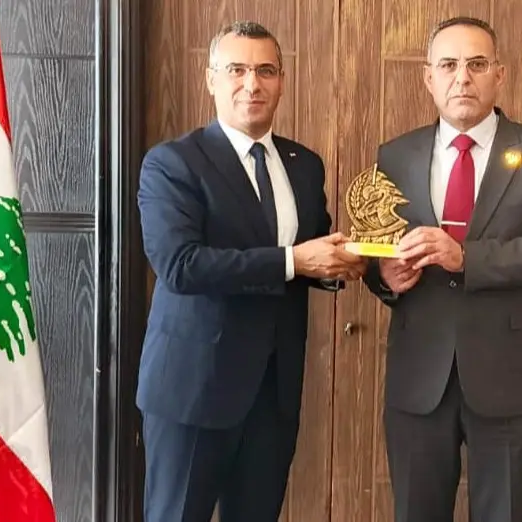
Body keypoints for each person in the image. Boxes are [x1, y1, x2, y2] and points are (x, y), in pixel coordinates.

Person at [136, 21, 364, 522]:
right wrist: (294, 261)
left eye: (265, 71)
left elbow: (313, 248)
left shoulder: (304, 164)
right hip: (193, 390)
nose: (251, 84)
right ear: (211, 79)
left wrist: (348, 262)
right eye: (236, 70)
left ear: (282, 81)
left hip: (273, 390)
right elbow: (180, 266)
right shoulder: (173, 163)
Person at [363, 16, 522, 522]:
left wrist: (467, 258)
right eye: (448, 65)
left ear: (499, 74)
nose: (462, 78)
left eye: (477, 64)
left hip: (508, 378)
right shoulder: (394, 155)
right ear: (429, 77)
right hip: (419, 378)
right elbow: (378, 249)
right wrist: (384, 279)